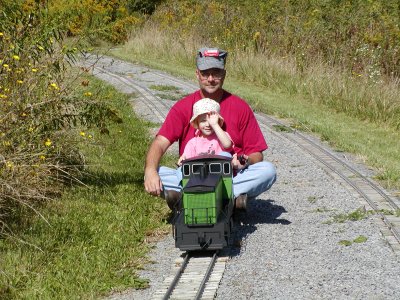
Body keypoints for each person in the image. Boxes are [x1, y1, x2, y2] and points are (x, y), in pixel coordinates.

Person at [144, 47, 276, 210]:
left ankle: (191, 199)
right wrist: (150, 171)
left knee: (268, 171)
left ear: (224, 74)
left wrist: (245, 161)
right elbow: (160, 142)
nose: (211, 79)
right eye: (205, 73)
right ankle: (227, 201)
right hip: (192, 177)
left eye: (216, 73)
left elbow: (256, 153)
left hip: (228, 177)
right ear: (197, 74)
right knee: (153, 170)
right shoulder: (183, 107)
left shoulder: (240, 107)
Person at [177, 97, 233, 165]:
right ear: (197, 123)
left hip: (218, 172)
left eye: (211, 121)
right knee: (181, 170)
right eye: (203, 121)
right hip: (199, 172)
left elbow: (227, 145)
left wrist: (214, 124)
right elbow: (187, 158)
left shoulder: (221, 136)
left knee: (226, 155)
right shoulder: (193, 142)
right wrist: (183, 159)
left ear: (218, 122)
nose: (208, 124)